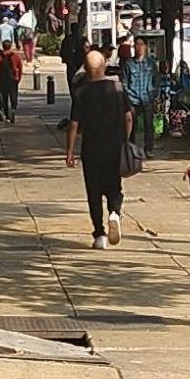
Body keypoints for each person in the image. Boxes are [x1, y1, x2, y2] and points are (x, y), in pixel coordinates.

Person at [66, 43, 131, 247]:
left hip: (91, 147)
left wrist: (69, 151)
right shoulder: (117, 88)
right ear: (104, 66)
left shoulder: (81, 92)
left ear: (86, 69)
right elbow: (128, 117)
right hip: (114, 145)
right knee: (114, 185)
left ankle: (99, 234)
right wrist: (126, 140)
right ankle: (114, 211)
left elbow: (74, 124)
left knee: (93, 190)